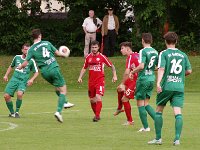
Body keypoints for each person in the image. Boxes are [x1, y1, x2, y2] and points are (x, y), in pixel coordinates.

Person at [148, 32, 192, 145]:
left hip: (166, 86)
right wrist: (180, 76)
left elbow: (161, 68)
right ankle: (177, 139)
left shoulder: (164, 53)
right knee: (178, 113)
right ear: (176, 42)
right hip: (179, 87)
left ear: (165, 42)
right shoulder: (183, 54)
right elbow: (189, 71)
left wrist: (158, 83)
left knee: (158, 111)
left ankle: (158, 139)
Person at [18, 29, 69, 123]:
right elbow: (59, 54)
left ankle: (65, 102)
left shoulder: (31, 49)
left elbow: (25, 63)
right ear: (40, 36)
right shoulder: (47, 43)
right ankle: (58, 111)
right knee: (63, 90)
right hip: (53, 68)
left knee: (57, 88)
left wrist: (20, 66)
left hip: (44, 73)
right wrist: (65, 54)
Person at [78, 40, 117, 122]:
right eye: (92, 47)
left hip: (100, 80)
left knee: (98, 97)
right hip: (91, 82)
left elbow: (112, 66)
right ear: (90, 48)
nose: (94, 49)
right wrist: (80, 77)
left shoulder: (102, 57)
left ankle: (97, 116)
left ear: (98, 48)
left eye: (95, 47)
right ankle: (96, 114)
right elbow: (84, 68)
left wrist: (114, 75)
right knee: (92, 100)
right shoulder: (88, 57)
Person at [130, 33, 158, 132]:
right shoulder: (155, 51)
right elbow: (155, 67)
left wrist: (133, 71)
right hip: (151, 79)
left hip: (143, 79)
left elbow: (141, 66)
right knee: (146, 103)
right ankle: (158, 121)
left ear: (142, 40)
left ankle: (146, 127)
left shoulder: (143, 51)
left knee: (140, 103)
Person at [3, 43, 39, 118]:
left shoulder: (31, 61)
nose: (27, 51)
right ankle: (12, 113)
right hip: (14, 79)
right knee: (6, 96)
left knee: (19, 94)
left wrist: (31, 79)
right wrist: (6, 75)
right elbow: (11, 66)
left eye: (28, 50)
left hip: (23, 80)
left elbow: (36, 72)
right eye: (25, 49)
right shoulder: (17, 57)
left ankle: (17, 112)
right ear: (22, 50)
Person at [113, 42, 139, 126]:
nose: (121, 50)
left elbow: (127, 72)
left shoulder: (130, 57)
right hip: (133, 79)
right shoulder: (137, 54)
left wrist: (123, 83)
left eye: (122, 48)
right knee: (119, 89)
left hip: (136, 81)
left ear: (127, 48)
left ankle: (130, 121)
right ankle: (120, 108)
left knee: (124, 99)